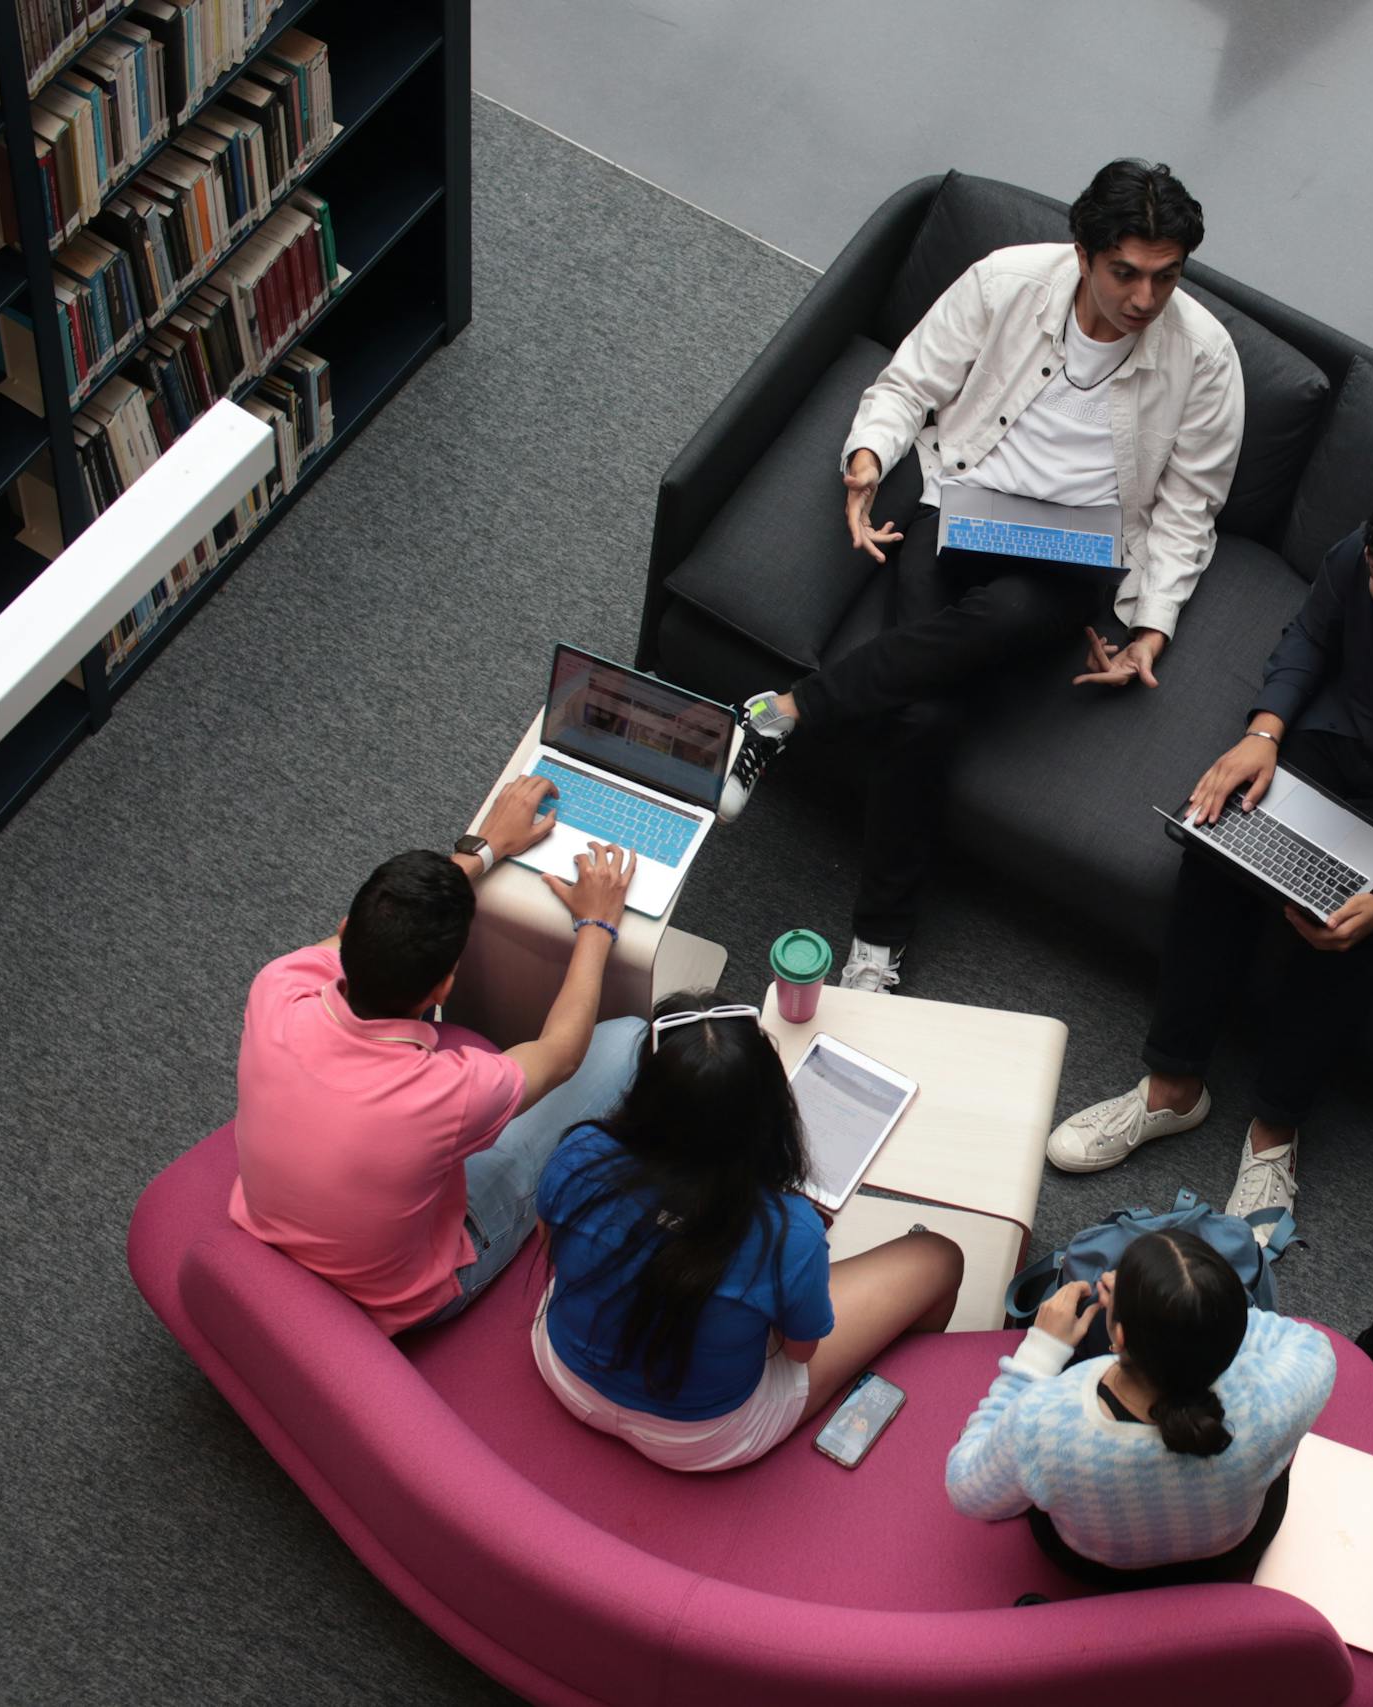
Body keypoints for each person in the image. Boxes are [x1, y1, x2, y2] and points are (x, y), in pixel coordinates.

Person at [717, 158, 1246, 996]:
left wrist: (1151, 627)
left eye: (1166, 277)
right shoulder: (1006, 282)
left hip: (1080, 548)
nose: (1146, 299)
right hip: (961, 497)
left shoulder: (1206, 357)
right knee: (925, 710)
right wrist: (865, 461)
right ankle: (877, 949)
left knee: (1006, 612)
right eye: (1126, 273)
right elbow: (907, 383)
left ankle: (787, 712)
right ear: (1083, 253)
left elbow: (1189, 508)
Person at [1045, 490, 1373, 1231]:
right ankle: (1173, 1086)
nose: (1363, 565)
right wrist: (1263, 730)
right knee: (1216, 841)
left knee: (1343, 931)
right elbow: (1309, 638)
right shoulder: (1371, 549)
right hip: (1325, 738)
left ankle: (1275, 1133)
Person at [230, 776, 644, 1333]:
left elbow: (380, 937)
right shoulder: (449, 1093)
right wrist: (597, 925)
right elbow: (561, 1054)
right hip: (403, 1297)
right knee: (628, 1041)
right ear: (444, 987)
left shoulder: (278, 985)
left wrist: (486, 848)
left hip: (276, 1229)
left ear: (346, 930)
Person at [531, 992, 964, 1471]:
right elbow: (800, 1352)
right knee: (940, 1257)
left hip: (564, 1373)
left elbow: (553, 1251)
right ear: (770, 1115)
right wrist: (791, 1267)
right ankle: (917, 1396)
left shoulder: (580, 1152)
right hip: (700, 1438)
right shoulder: (789, 1230)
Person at [946, 1230, 1333, 1585]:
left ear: (1119, 1334)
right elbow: (1309, 1345)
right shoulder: (1273, 1401)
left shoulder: (1046, 1420)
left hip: (1098, 1566)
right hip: (1230, 1552)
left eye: (1121, 1277)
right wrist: (1196, 1317)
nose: (1110, 1278)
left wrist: (1040, 1351)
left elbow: (966, 1488)